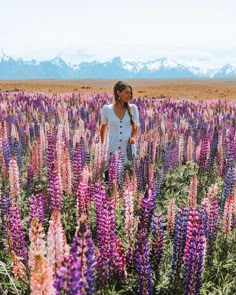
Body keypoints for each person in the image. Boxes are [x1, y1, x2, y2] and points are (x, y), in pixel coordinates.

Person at [100, 80, 140, 180]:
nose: (129, 95)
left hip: (128, 149)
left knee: (127, 179)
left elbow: (136, 127)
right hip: (112, 148)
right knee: (109, 179)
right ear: (118, 92)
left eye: (130, 93)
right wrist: (102, 146)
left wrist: (133, 138)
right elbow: (103, 127)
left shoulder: (133, 108)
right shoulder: (107, 109)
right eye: (127, 92)